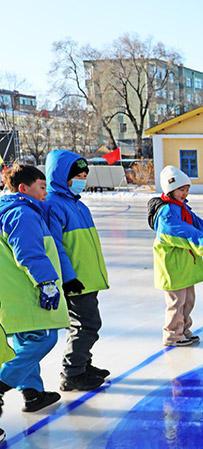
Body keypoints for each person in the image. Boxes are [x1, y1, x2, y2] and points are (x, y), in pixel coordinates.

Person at [0, 164, 67, 412]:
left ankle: (33, 393)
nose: (44, 193)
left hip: (12, 291)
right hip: (26, 289)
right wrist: (46, 283)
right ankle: (2, 382)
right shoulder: (22, 213)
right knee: (44, 340)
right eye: (41, 187)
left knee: (26, 340)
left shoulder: (15, 211)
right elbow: (29, 254)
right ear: (23, 188)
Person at [44, 150, 110, 392]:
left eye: (84, 175)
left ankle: (83, 364)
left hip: (87, 277)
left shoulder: (77, 204)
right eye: (77, 175)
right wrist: (68, 277)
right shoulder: (53, 205)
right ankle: (73, 372)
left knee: (85, 324)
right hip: (76, 279)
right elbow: (55, 246)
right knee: (86, 325)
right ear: (62, 177)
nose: (82, 179)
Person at [150, 166, 203, 347]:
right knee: (176, 302)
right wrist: (201, 240)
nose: (184, 193)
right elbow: (178, 231)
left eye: (187, 189)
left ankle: (184, 330)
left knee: (188, 300)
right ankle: (172, 335)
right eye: (181, 189)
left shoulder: (183, 209)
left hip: (186, 264)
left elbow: (201, 226)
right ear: (170, 190)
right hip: (172, 266)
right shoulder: (166, 212)